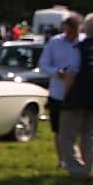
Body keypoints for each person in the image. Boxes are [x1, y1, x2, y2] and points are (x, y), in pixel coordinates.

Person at [58, 11, 93, 180]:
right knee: (89, 136)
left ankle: (76, 169)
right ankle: (88, 168)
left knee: (67, 136)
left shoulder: (80, 49)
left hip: (78, 97)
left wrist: (65, 95)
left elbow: (71, 75)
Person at [39, 15, 83, 145]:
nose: (71, 35)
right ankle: (62, 156)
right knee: (58, 130)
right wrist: (56, 72)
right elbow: (43, 64)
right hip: (57, 93)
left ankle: (75, 154)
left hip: (78, 92)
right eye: (68, 31)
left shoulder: (84, 42)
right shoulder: (55, 42)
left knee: (77, 129)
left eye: (74, 32)